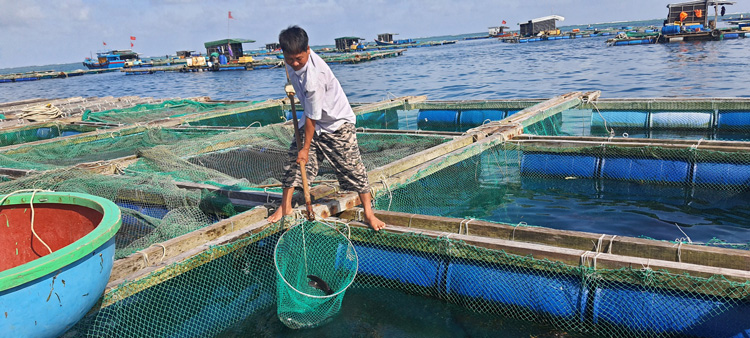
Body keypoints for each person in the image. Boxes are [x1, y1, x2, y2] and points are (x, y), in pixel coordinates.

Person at [267, 25, 386, 231]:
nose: (295, 63)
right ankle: (285, 207)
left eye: (299, 59)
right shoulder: (290, 65)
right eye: (290, 59)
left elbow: (314, 116)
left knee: (353, 169)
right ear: (283, 54)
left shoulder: (315, 76)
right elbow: (309, 114)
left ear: (308, 50)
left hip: (336, 122)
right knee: (294, 163)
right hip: (311, 119)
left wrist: (306, 148)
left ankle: (368, 213)